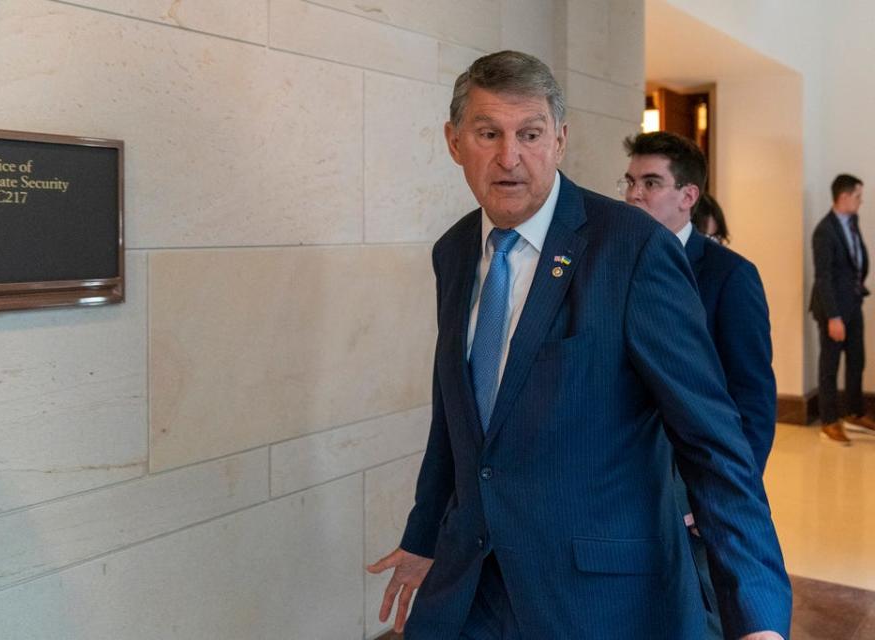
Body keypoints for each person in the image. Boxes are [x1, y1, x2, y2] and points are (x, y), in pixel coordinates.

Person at [367, 50, 790, 640]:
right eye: (488, 133)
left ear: (560, 140)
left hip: (599, 601)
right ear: (453, 142)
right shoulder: (454, 252)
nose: (509, 157)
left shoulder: (631, 248)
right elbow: (458, 417)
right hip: (473, 589)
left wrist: (758, 616)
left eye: (530, 134)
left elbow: (713, 443)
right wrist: (422, 538)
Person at [622, 131, 777, 639]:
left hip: (695, 488)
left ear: (688, 197)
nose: (633, 195)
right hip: (625, 487)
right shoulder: (614, 262)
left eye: (650, 182)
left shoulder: (730, 277)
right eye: (630, 182)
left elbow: (753, 402)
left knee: (702, 617)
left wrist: (718, 498)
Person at [810, 174, 875, 444]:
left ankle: (854, 413)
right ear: (844, 197)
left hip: (853, 302)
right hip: (832, 309)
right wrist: (834, 317)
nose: (861, 201)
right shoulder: (824, 231)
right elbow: (823, 277)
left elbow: (854, 259)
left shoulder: (852, 221)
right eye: (858, 196)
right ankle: (829, 421)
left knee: (857, 360)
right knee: (830, 365)